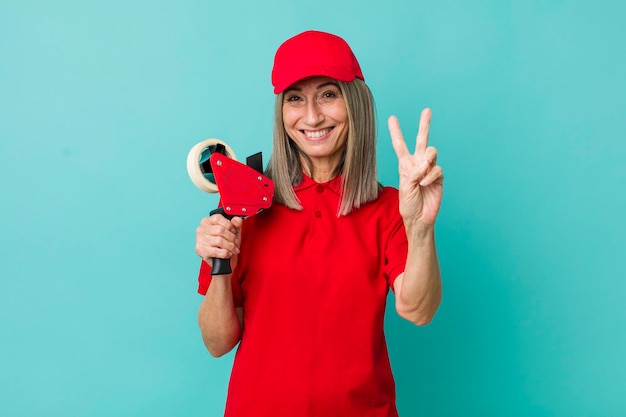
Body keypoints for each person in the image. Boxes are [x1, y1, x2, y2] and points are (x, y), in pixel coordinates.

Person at [194, 30, 444, 417]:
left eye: (328, 94)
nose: (311, 117)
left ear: (355, 104)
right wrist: (220, 262)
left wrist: (421, 227)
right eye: (295, 99)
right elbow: (217, 342)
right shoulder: (246, 205)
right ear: (282, 113)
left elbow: (418, 310)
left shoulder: (391, 208)